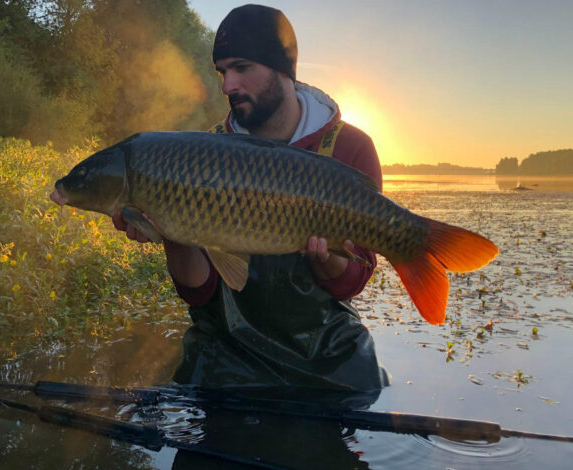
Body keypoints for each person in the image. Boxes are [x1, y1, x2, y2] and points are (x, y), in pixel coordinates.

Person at [113, 4, 388, 391]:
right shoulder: (203, 152)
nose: (227, 86)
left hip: (324, 357)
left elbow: (352, 283)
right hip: (226, 355)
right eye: (223, 72)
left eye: (242, 68)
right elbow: (199, 291)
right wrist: (172, 229)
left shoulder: (349, 148)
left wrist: (326, 260)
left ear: (282, 69)